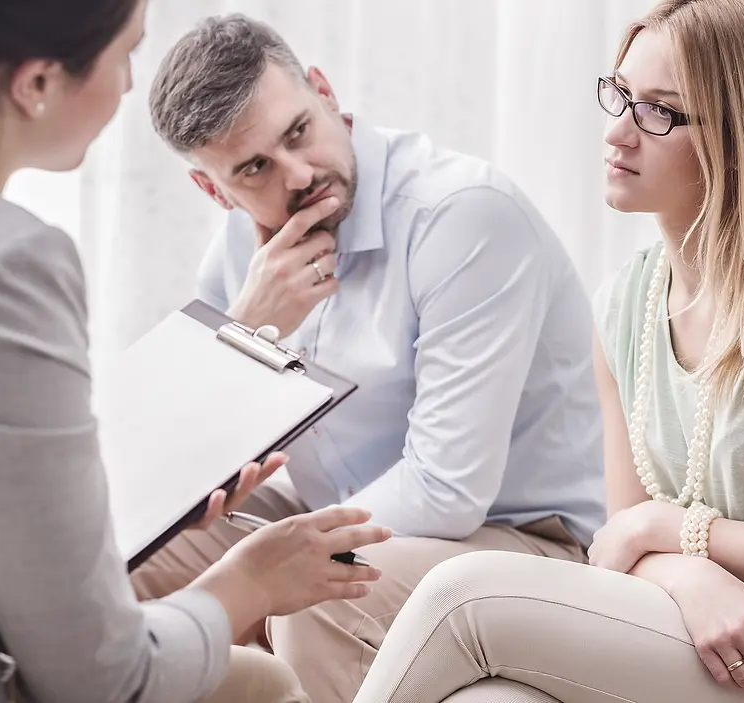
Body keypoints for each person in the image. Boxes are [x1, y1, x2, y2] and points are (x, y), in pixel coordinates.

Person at [350, 0, 744, 701]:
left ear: (742, 137)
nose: (616, 133)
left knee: (463, 597)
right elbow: (619, 545)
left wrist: (671, 531)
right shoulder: (626, 303)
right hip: (681, 618)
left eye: (660, 112)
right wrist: (684, 570)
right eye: (620, 96)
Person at [0, 2, 392, 702]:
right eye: (124, 54)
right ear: (36, 83)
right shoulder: (3, 266)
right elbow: (97, 676)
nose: (132, 84)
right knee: (262, 685)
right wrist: (249, 579)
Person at [135, 13, 606, 702]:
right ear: (215, 190)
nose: (299, 174)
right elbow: (176, 456)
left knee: (321, 587)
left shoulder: (461, 217)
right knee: (120, 563)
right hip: (340, 506)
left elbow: (447, 491)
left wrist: (273, 563)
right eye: (256, 167)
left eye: (298, 132)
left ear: (324, 92)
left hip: (518, 533)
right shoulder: (239, 252)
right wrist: (248, 326)